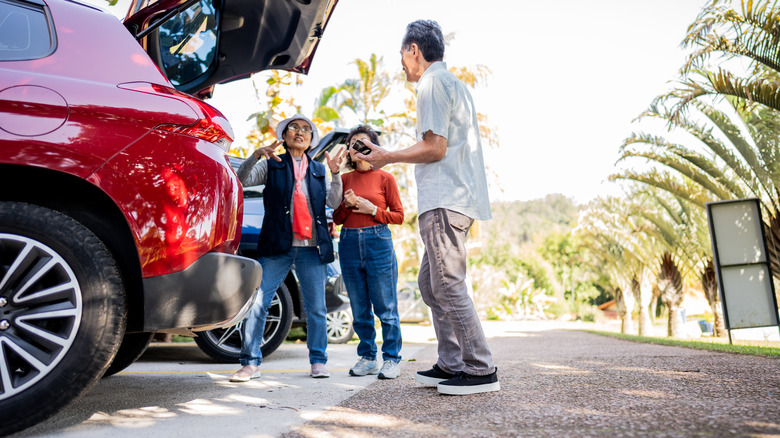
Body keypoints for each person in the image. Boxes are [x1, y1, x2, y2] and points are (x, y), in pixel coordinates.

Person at [357, 20, 499, 395]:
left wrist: (387, 156)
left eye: (402, 55)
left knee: (448, 284)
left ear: (414, 50)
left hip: (444, 200)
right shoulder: (453, 84)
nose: (402, 64)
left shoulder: (432, 84)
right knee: (429, 282)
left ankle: (480, 369)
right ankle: (451, 362)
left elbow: (435, 147)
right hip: (455, 199)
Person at [230, 114, 345, 382]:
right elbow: (240, 180)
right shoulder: (273, 164)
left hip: (311, 248)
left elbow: (333, 201)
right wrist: (255, 156)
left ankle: (318, 361)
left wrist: (337, 174)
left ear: (311, 140)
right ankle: (250, 363)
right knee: (259, 303)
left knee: (316, 308)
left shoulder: (318, 170)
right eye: (294, 127)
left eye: (306, 129)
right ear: (284, 136)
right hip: (278, 245)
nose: (300, 132)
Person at [333, 125, 405, 380]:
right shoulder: (343, 180)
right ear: (349, 152)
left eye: (364, 143)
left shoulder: (386, 178)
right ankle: (367, 357)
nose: (358, 148)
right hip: (349, 243)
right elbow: (337, 218)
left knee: (385, 306)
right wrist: (347, 204)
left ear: (374, 149)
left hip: (378, 243)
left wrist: (371, 209)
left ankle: (391, 359)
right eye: (353, 144)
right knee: (359, 307)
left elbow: (398, 216)